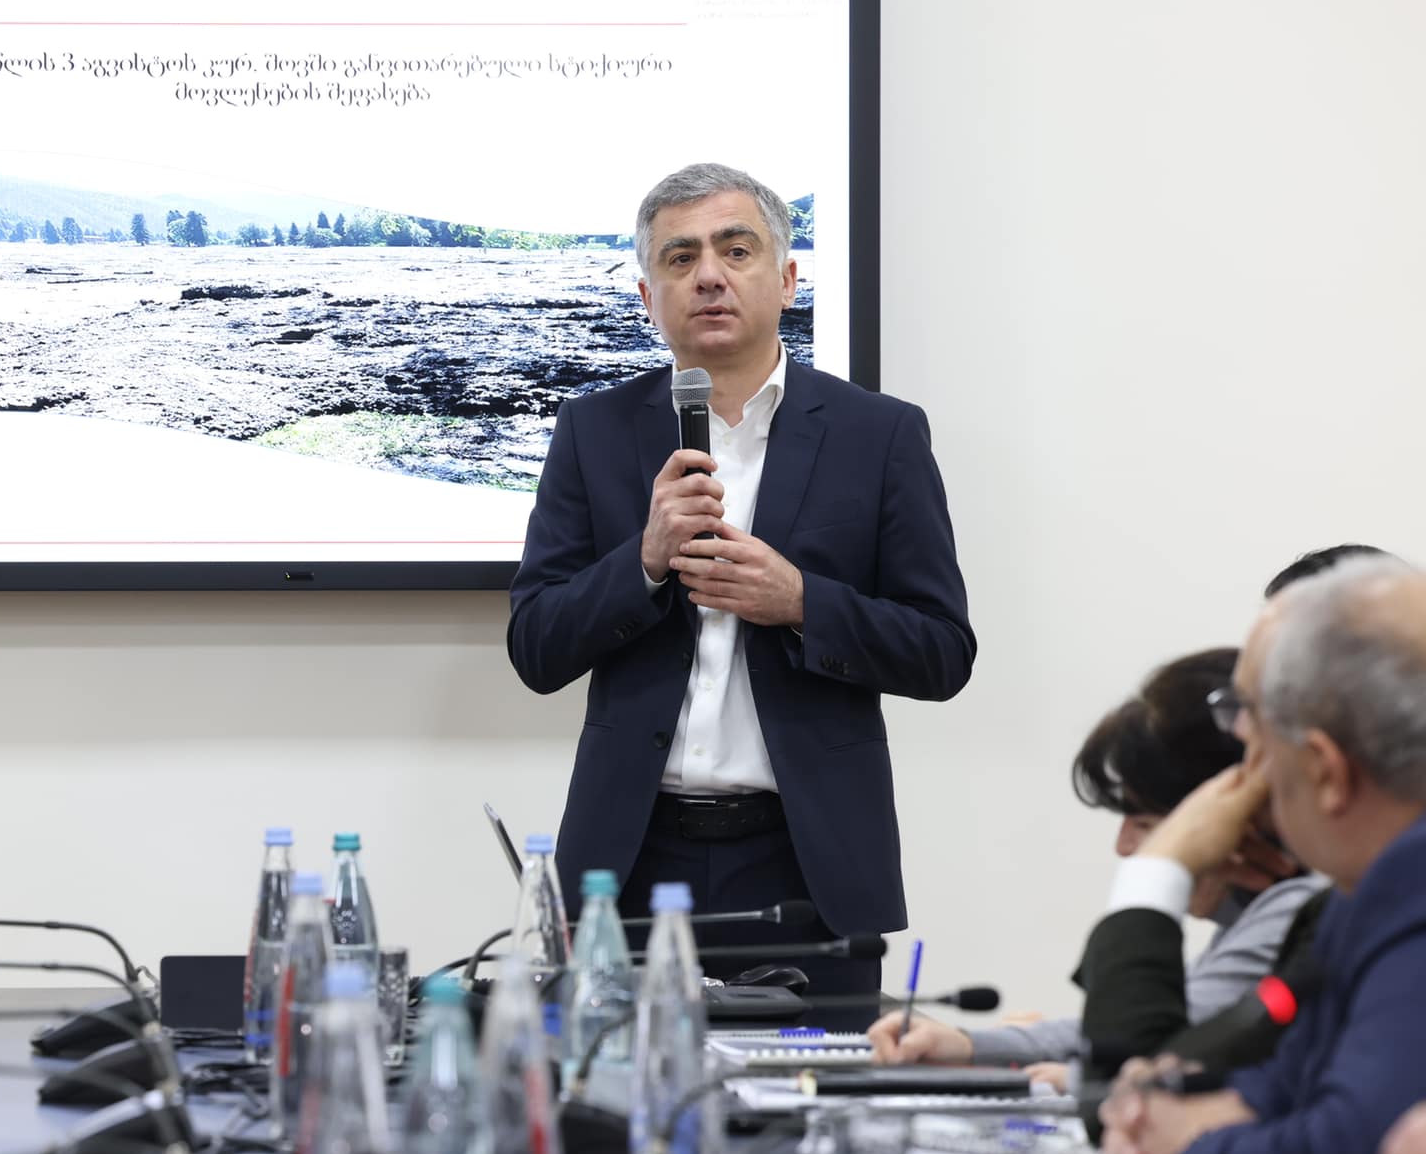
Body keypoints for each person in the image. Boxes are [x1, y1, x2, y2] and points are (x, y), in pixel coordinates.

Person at [508, 162, 974, 997]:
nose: (709, 275)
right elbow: (536, 648)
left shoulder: (879, 435)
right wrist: (644, 559)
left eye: (736, 249)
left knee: (815, 1078)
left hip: (807, 864)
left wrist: (800, 602)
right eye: (680, 258)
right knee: (617, 1084)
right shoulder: (593, 430)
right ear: (648, 297)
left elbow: (941, 652)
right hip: (630, 864)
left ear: (787, 279)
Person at [1101, 557, 1426, 1154]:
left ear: (1325, 771)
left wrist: (1185, 1144)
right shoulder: (1359, 895)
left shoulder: (1412, 891)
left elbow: (1350, 1139)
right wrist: (1170, 1120)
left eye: (1254, 738)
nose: (1247, 778)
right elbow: (1274, 1086)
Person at [867, 649, 1317, 1072]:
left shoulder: (1293, 910)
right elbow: (1139, 1034)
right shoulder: (1251, 918)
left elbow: (1140, 1065)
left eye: (1146, 824)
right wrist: (972, 1045)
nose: (1124, 847)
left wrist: (1156, 872)